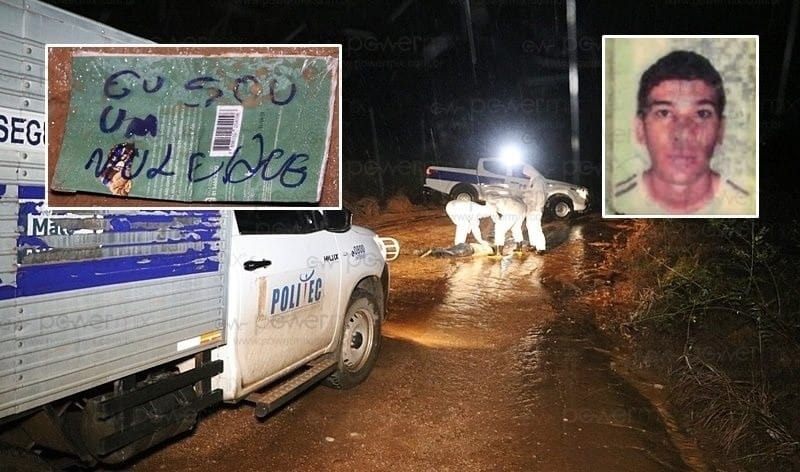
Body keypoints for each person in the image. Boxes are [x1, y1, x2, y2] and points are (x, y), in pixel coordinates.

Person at [612, 50, 753, 215]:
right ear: (640, 128)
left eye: (702, 113)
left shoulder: (748, 206)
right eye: (664, 113)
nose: (683, 133)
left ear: (721, 129)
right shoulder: (612, 204)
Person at [521, 164, 548, 252]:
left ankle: (541, 247)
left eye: (526, 173)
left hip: (536, 208)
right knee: (530, 225)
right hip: (531, 207)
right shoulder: (533, 179)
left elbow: (540, 195)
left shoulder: (538, 180)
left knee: (536, 226)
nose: (526, 175)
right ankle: (534, 244)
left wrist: (538, 207)